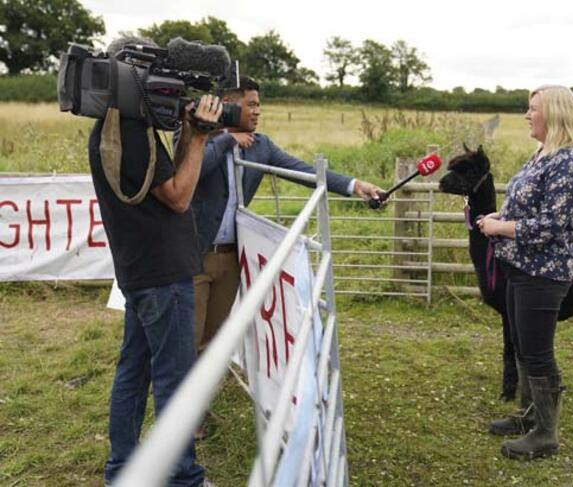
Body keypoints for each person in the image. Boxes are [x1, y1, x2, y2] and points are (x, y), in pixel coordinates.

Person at [177, 76, 383, 437]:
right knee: (187, 339)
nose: (258, 111)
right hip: (191, 255)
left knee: (213, 337)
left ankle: (197, 409)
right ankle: (180, 417)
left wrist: (355, 186)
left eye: (259, 104)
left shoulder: (262, 146)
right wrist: (225, 138)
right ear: (228, 103)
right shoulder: (199, 135)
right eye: (251, 104)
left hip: (229, 257)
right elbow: (193, 173)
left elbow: (304, 171)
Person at [90, 37, 221, 486]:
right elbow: (180, 197)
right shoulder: (131, 130)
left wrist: (187, 130)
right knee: (174, 381)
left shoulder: (115, 125)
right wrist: (201, 136)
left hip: (140, 272)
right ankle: (183, 476)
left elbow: (164, 185)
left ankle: (122, 469)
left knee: (134, 371)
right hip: (163, 277)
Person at [475, 85, 573, 460]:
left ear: (553, 114)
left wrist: (500, 229)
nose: (527, 115)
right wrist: (498, 216)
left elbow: (551, 225)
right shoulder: (542, 154)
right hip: (519, 268)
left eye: (533, 109)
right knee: (523, 347)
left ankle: (546, 433)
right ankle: (528, 415)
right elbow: (525, 208)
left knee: (538, 353)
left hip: (544, 273)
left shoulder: (568, 162)